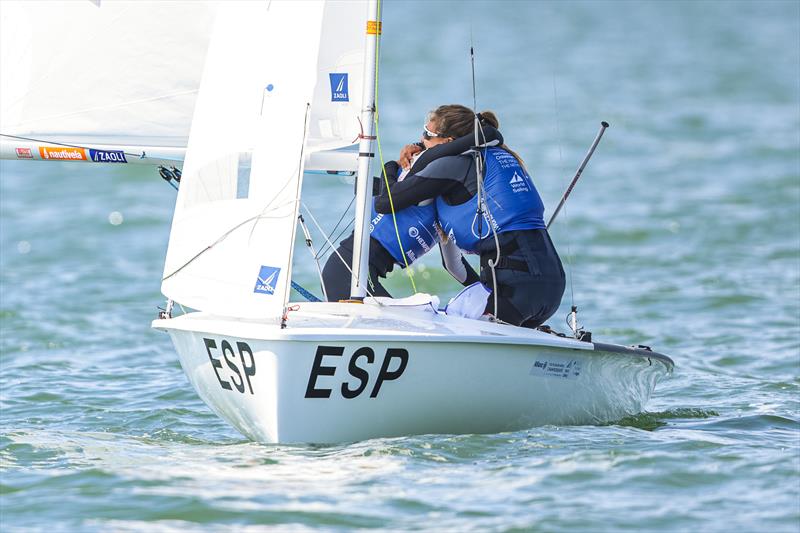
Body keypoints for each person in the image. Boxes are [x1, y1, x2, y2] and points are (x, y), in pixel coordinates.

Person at [374, 104, 566, 328]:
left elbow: (385, 202)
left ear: (448, 142)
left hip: (514, 289)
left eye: (427, 134)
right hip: (547, 286)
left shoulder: (454, 167)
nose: (420, 139)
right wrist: (487, 298)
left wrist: (391, 166)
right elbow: (453, 266)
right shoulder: (496, 156)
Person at [320, 125, 502, 301]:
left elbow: (454, 266)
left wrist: (491, 297)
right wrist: (392, 164)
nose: (422, 139)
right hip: (347, 272)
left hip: (356, 273)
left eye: (427, 134)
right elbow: (488, 134)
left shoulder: (446, 205)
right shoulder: (420, 176)